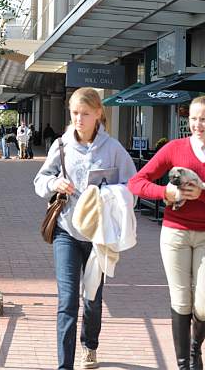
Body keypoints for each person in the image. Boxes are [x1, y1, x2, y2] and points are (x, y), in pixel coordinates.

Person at [34, 87, 136, 370]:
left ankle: (89, 345)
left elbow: (134, 187)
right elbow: (40, 180)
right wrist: (55, 184)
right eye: (75, 113)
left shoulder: (113, 149)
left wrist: (114, 194)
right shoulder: (62, 145)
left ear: (98, 114)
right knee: (67, 300)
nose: (79, 119)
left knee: (92, 297)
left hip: (99, 236)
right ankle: (64, 365)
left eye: (85, 114)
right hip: (66, 231)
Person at [128, 96, 205, 370]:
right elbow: (136, 183)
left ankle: (195, 349)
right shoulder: (174, 148)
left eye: (204, 119)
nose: (197, 124)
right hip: (174, 234)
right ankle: (185, 365)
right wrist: (166, 193)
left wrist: (203, 194)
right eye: (193, 118)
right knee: (181, 300)